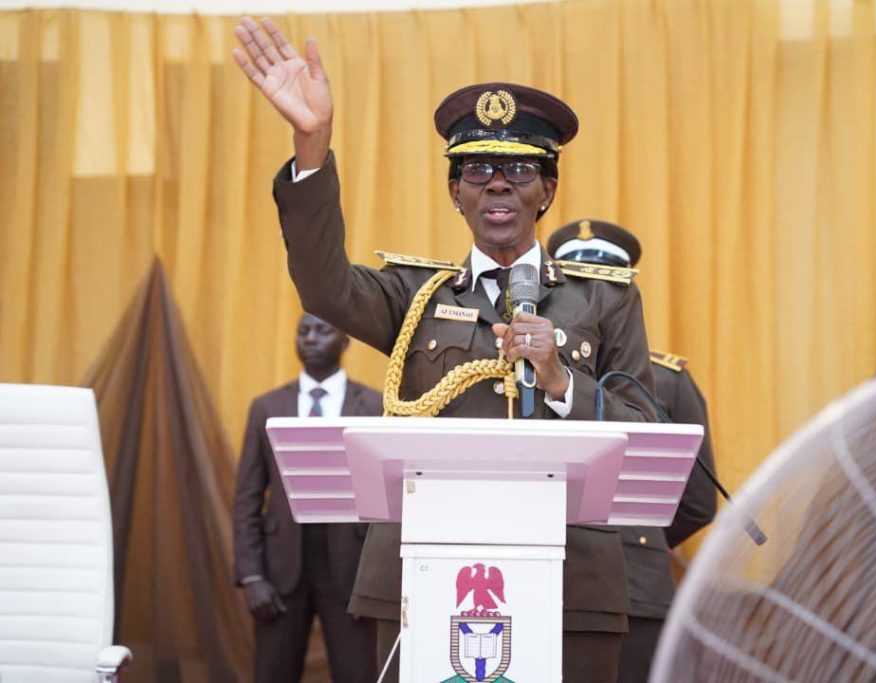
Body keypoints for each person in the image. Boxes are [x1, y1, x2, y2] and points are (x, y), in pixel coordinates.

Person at [232, 16, 657, 682]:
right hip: (425, 577)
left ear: (548, 190)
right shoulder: (414, 294)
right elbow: (323, 284)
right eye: (476, 169)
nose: (497, 183)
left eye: (520, 169)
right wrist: (311, 146)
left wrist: (560, 381)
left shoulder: (605, 298)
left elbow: (646, 435)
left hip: (571, 582)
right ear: (454, 190)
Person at [547, 218, 718, 683]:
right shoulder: (524, 373)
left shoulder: (666, 380)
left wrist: (637, 528)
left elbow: (697, 499)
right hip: (589, 578)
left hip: (618, 585)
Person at [233, 313, 382, 683]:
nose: (311, 339)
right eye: (303, 331)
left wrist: (374, 584)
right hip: (280, 570)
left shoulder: (375, 407)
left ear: (345, 340)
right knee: (273, 674)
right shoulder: (266, 407)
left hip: (350, 573)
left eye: (323, 330)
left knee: (358, 674)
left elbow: (387, 504)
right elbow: (247, 499)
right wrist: (252, 577)